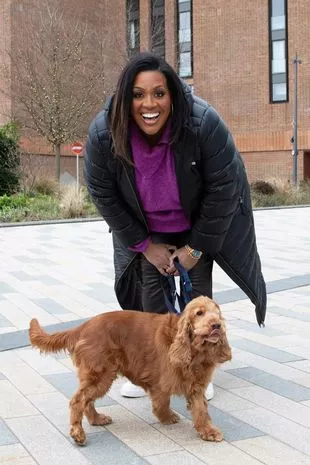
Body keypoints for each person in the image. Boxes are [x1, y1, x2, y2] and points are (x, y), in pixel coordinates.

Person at [84, 52, 266, 400]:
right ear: (125, 99)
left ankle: (199, 369)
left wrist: (195, 247)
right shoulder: (104, 132)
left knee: (197, 295)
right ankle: (153, 371)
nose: (148, 104)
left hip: (196, 222)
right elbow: (103, 194)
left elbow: (224, 189)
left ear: (173, 96)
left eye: (159, 93)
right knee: (149, 299)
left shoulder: (203, 123)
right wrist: (143, 245)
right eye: (138, 95)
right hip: (145, 228)